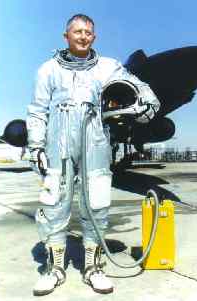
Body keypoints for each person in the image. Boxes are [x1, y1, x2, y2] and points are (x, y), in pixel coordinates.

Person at [27, 14, 160, 296]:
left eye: (88, 32)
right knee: (54, 206)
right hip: (58, 143)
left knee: (96, 205)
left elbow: (141, 89)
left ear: (94, 37)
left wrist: (147, 105)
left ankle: (93, 268)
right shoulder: (48, 70)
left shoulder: (108, 67)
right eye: (78, 31)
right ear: (66, 36)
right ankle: (54, 269)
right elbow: (37, 110)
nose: (83, 36)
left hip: (95, 141)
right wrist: (36, 146)